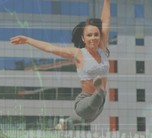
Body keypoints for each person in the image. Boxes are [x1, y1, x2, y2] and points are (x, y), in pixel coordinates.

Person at [10, 0, 111, 130]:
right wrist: (28, 40)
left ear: (100, 36)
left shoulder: (102, 48)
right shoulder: (78, 54)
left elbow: (106, 22)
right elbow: (50, 48)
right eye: (89, 35)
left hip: (98, 107)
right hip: (84, 101)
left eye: (96, 35)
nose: (93, 38)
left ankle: (63, 124)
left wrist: (107, 1)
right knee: (96, 98)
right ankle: (99, 91)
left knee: (87, 113)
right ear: (83, 38)